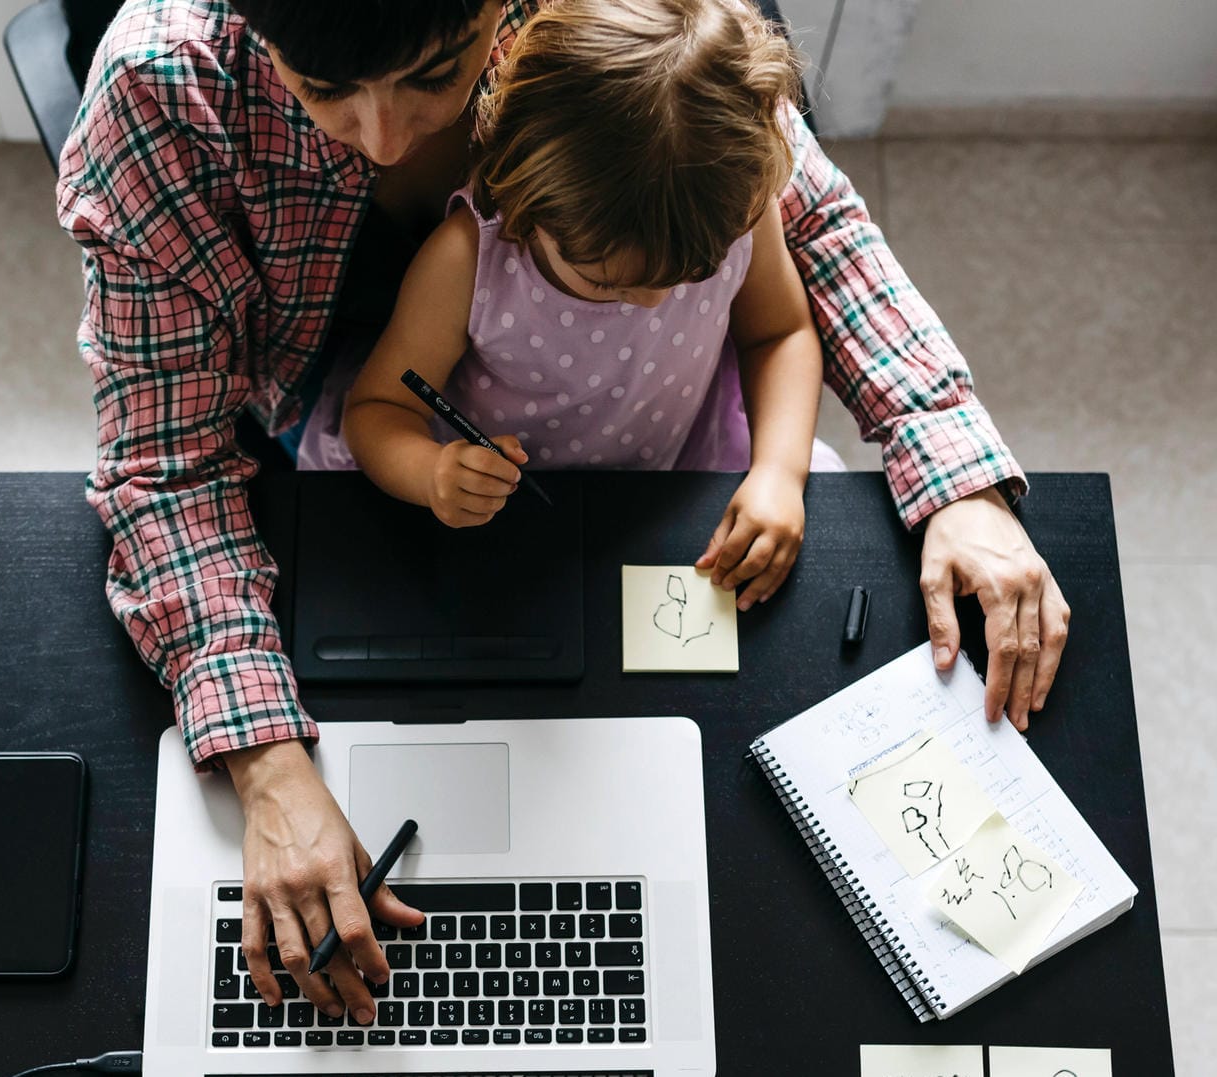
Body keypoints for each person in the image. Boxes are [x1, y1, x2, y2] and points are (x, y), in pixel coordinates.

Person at [56, 0, 1071, 1026]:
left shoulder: (625, 21)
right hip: (334, 483)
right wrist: (267, 769)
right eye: (322, 92)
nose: (386, 140)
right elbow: (168, 463)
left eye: (433, 71)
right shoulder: (161, 86)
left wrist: (956, 480)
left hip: (635, 478)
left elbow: (803, 223)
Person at [328, 0, 830, 616]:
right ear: (529, 205)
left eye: (691, 276)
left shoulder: (736, 205)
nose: (652, 302)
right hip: (494, 516)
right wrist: (433, 472)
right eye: (605, 285)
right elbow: (378, 408)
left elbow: (779, 333)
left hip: (673, 481)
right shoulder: (470, 259)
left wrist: (780, 472)